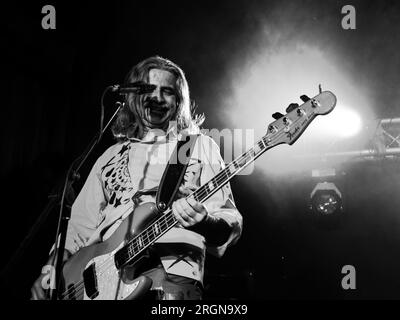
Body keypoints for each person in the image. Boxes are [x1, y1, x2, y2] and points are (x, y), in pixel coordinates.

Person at [31, 56, 242, 300]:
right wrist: (50, 270)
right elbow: (78, 224)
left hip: (171, 278)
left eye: (168, 91)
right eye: (148, 89)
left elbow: (229, 219)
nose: (157, 98)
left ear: (179, 102)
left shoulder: (197, 147)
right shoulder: (111, 155)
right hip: (98, 283)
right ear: (131, 97)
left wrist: (204, 222)